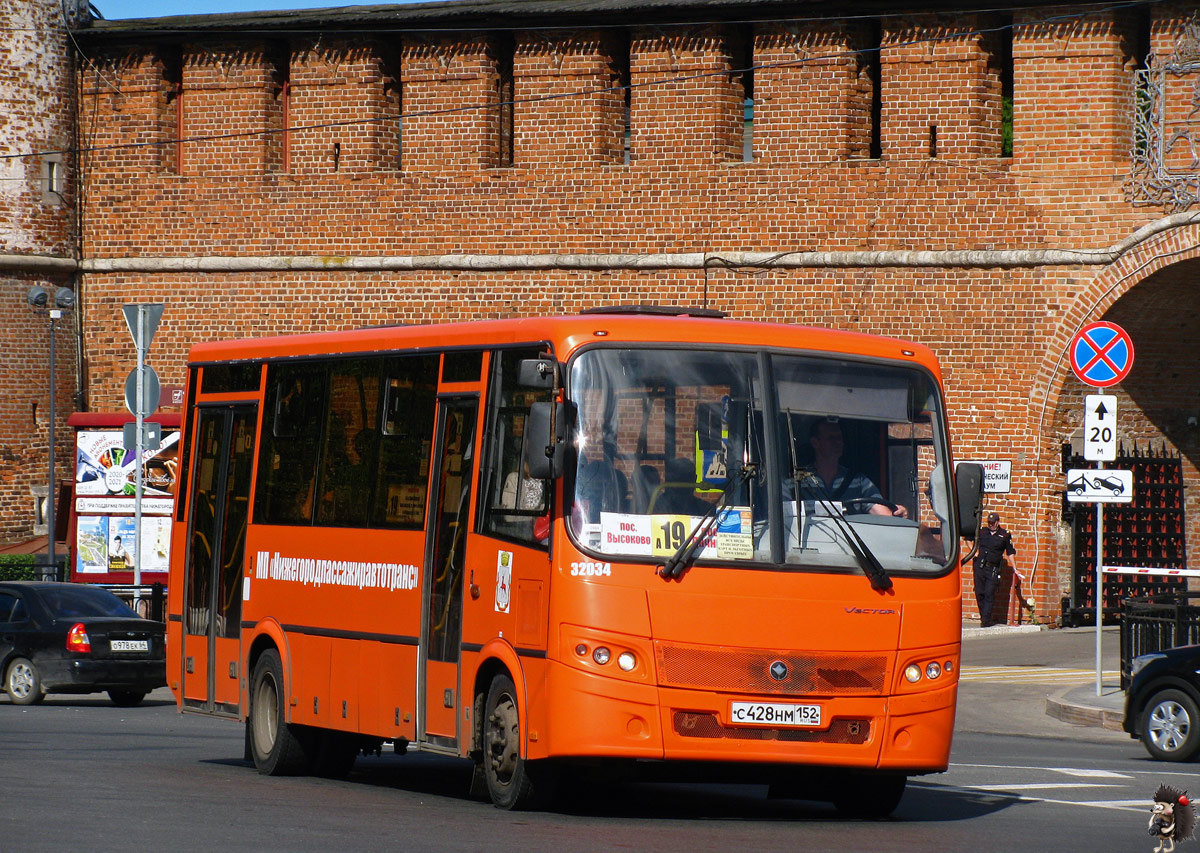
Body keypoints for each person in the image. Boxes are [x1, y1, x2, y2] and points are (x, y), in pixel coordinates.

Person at [801, 419, 907, 518]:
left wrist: (898, 515)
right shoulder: (796, 482)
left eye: (840, 438)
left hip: (851, 538)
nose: (838, 442)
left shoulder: (858, 482)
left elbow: (884, 515)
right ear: (815, 443)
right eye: (831, 438)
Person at [975, 512, 1018, 627]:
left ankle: (985, 620)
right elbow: (968, 539)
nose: (991, 525)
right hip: (980, 567)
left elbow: (1010, 552)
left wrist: (1015, 567)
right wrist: (975, 552)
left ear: (998, 522)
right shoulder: (982, 531)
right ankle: (983, 616)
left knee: (989, 593)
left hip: (993, 568)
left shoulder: (1004, 535)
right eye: (989, 523)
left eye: (993, 523)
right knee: (979, 593)